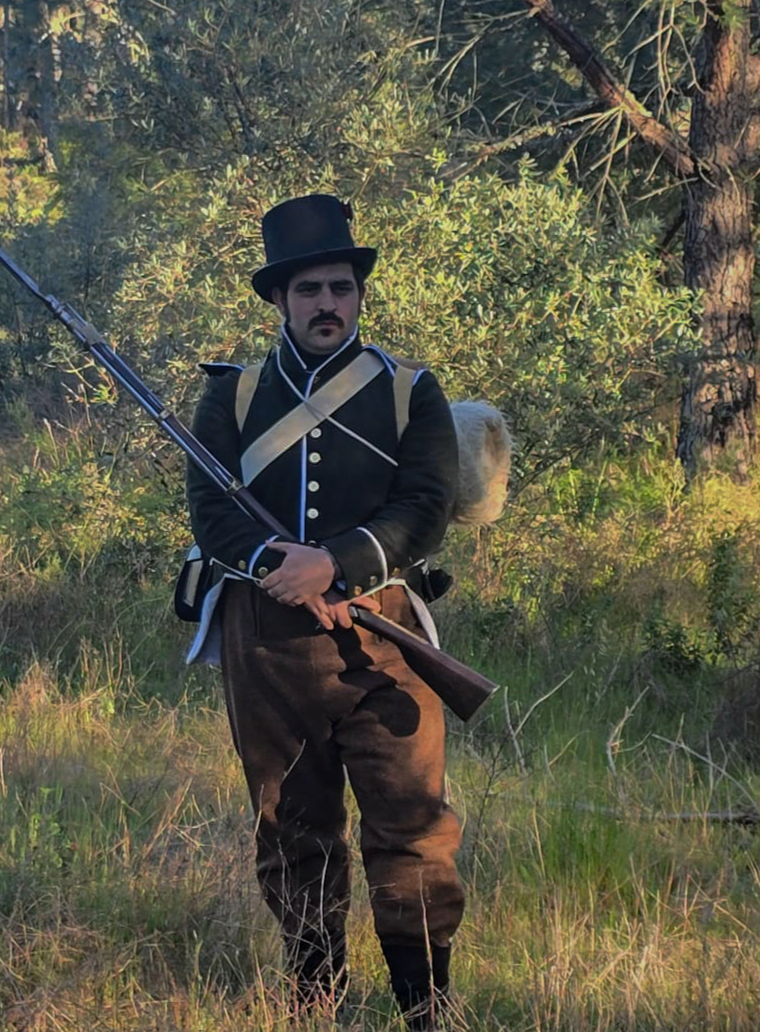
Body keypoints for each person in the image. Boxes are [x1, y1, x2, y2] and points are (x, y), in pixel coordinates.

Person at [184, 194, 464, 1029]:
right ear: (280, 299)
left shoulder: (411, 393)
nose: (327, 304)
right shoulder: (233, 397)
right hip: (266, 645)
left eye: (341, 287)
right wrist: (286, 569)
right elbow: (213, 513)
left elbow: (426, 507)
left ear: (359, 293)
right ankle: (315, 1002)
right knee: (291, 830)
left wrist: (336, 563)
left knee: (412, 829)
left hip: (385, 637)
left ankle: (425, 1008)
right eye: (308, 290)